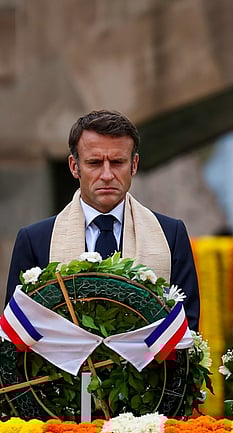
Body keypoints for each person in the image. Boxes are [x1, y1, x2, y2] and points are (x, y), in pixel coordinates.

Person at [6, 110, 201, 329]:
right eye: (95, 163)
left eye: (117, 162)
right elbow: (16, 332)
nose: (107, 175)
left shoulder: (171, 234)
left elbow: (187, 329)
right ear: (74, 166)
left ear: (134, 165)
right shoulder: (35, 239)